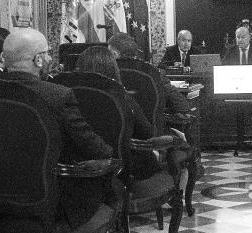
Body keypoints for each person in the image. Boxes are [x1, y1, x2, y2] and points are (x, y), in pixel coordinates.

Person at [0, 28, 115, 233]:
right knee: (113, 190)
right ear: (39, 60)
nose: (50, 58)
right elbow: (95, 148)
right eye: (47, 54)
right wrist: (113, 156)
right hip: (49, 206)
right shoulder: (57, 96)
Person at [76, 46, 182, 180]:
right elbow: (148, 135)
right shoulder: (124, 100)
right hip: (124, 172)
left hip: (77, 173)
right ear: (113, 69)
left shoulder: (69, 99)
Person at [108, 32, 190, 115]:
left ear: (115, 54)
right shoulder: (152, 71)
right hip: (151, 122)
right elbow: (182, 105)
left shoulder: (107, 73)